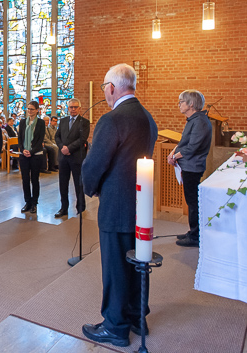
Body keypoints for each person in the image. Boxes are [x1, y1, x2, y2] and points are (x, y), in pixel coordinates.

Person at [81, 63, 158, 347]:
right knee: (139, 262)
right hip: (141, 205)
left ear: (112, 88)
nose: (105, 92)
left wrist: (90, 188)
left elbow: (95, 163)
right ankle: (137, 316)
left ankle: (115, 325)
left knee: (115, 265)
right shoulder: (147, 118)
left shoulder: (112, 119)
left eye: (104, 88)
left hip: (116, 205)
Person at [168, 90, 212, 247]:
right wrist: (173, 152)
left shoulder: (200, 122)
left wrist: (175, 156)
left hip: (193, 167)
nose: (179, 104)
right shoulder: (193, 120)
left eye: (181, 101)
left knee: (193, 202)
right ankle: (193, 231)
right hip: (188, 165)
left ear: (191, 104)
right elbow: (184, 141)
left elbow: (192, 147)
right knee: (191, 200)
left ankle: (195, 236)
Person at [55, 99, 90, 217]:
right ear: (68, 108)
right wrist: (62, 148)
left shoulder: (84, 122)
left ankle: (80, 207)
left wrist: (69, 149)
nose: (73, 109)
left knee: (78, 183)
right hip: (63, 157)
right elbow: (57, 136)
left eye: (75, 107)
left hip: (76, 157)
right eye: (71, 107)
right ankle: (63, 208)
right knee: (63, 184)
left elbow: (82, 139)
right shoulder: (63, 121)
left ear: (80, 108)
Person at [18, 100, 46, 214]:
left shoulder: (40, 123)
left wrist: (32, 151)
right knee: (25, 179)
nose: (29, 111)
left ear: (37, 110)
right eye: (28, 109)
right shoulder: (23, 122)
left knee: (34, 179)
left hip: (36, 154)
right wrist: (23, 149)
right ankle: (27, 202)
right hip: (24, 154)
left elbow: (40, 140)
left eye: (32, 109)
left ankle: (34, 202)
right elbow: (20, 138)